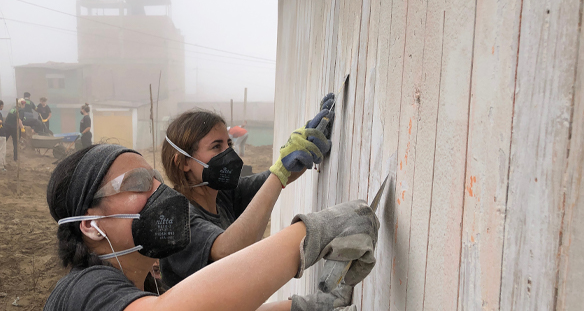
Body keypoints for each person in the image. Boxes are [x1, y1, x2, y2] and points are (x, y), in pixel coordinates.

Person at [43, 143, 379, 311]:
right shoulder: (82, 290)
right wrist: (317, 231)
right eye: (139, 183)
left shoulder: (144, 286)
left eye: (157, 181)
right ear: (89, 224)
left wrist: (303, 306)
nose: (160, 192)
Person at [159, 93, 336, 288]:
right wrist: (280, 172)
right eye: (216, 147)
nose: (228, 154)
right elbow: (228, 251)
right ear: (184, 162)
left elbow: (278, 175)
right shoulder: (176, 217)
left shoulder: (222, 195)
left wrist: (308, 141)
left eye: (229, 144)